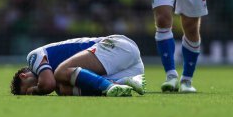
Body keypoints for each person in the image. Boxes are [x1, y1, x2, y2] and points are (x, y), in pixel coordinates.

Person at [10, 35, 146, 97]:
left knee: (60, 72)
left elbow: (47, 84)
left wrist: (34, 90)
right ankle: (126, 81)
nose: (33, 91)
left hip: (117, 46)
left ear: (24, 75)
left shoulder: (33, 57)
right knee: (64, 89)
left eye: (27, 88)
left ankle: (109, 86)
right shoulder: (60, 85)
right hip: (132, 67)